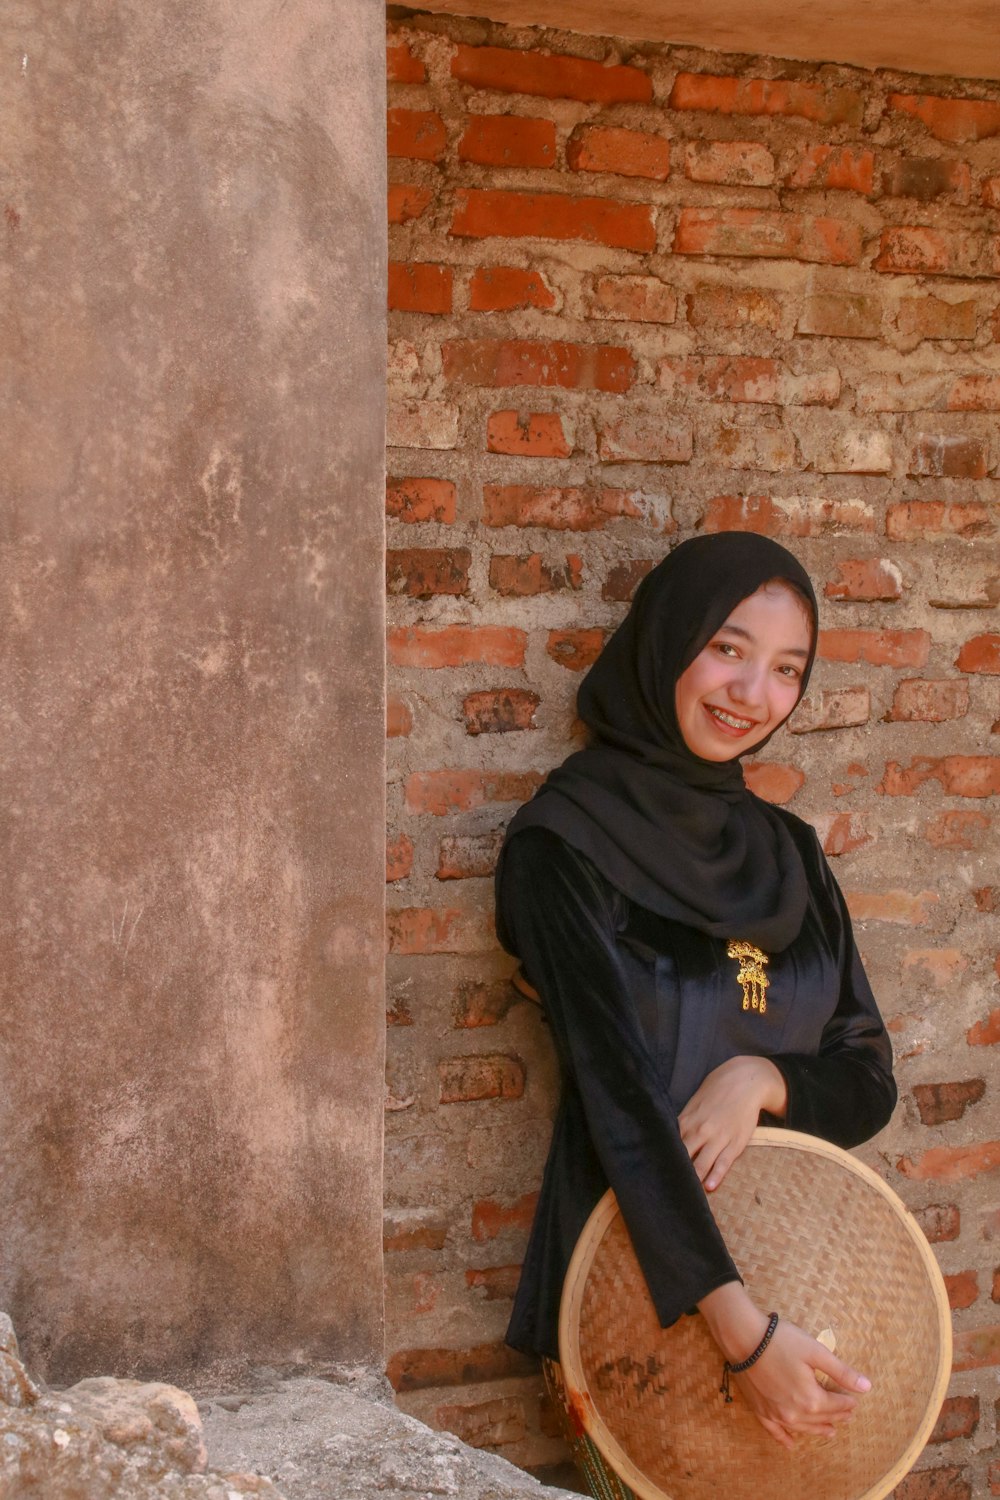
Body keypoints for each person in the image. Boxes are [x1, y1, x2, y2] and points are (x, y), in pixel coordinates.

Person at [494, 532, 896, 1453]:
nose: (754, 695)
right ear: (667, 641)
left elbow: (866, 1076)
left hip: (807, 1301)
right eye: (728, 650)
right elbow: (618, 1101)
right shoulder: (563, 846)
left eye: (787, 669)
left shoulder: (791, 853)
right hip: (638, 1305)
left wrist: (762, 1076)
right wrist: (743, 1339)